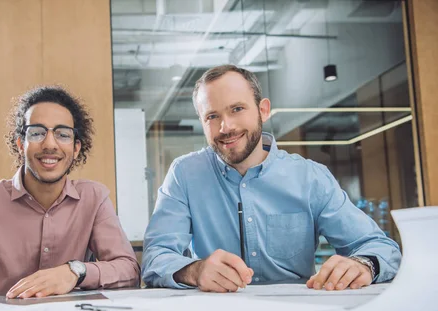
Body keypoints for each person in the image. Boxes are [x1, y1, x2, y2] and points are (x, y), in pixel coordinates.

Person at [142, 64, 401, 293]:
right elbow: (155, 258)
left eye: (237, 109)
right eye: (212, 116)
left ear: (263, 110)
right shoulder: (185, 174)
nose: (226, 127)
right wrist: (195, 271)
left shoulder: (310, 177)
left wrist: (363, 264)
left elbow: (380, 247)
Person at [0, 86, 140, 297]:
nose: (50, 144)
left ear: (76, 148)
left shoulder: (94, 198)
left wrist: (75, 271)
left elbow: (129, 270)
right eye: (37, 133)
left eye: (62, 134)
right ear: (20, 145)